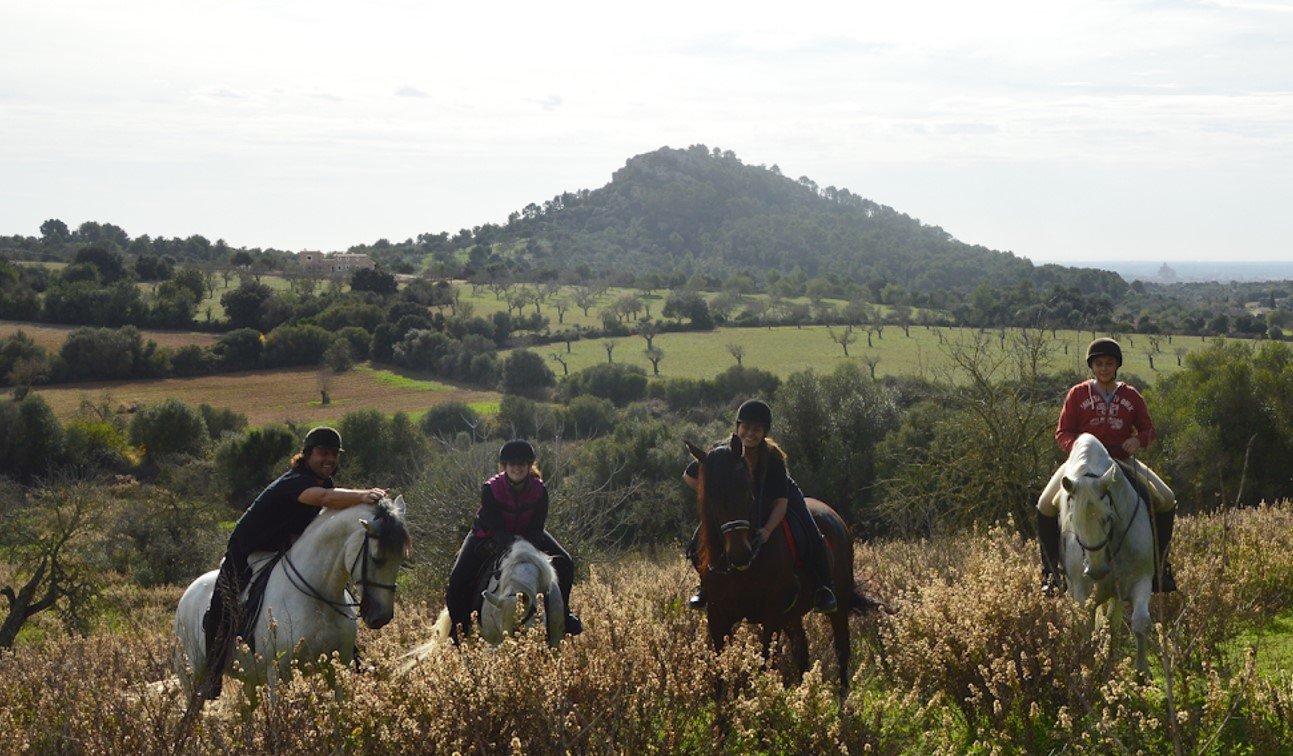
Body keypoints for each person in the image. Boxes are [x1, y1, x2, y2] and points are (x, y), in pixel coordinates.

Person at [196, 426, 388, 700]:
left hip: (284, 549)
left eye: (334, 455)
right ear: (307, 454)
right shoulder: (295, 481)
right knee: (221, 605)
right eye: (323, 453)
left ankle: (351, 653)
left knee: (332, 587)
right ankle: (212, 674)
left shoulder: (325, 484)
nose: (329, 460)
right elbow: (324, 500)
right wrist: (363, 495)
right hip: (248, 549)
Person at [1037, 337, 1178, 595]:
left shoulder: (1131, 395)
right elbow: (1062, 432)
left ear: (1117, 366)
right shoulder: (1077, 394)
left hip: (1120, 461)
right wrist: (1078, 446)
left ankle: (1159, 567)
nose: (1104, 368)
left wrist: (1138, 439)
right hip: (1081, 466)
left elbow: (1149, 430)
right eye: (1099, 364)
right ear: (1092, 367)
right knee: (1045, 505)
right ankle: (1051, 572)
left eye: (1109, 364)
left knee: (1166, 499)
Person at [683, 399, 838, 613]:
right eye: (745, 427)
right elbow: (689, 475)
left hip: (777, 494)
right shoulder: (720, 453)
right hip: (739, 501)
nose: (750, 433)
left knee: (811, 532)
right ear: (737, 428)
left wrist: (766, 531)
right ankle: (705, 586)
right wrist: (715, 496)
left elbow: (781, 503)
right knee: (698, 541)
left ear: (764, 432)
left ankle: (823, 588)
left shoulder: (773, 458)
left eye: (756, 429)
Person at [444, 439, 582, 641]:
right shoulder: (490, 489)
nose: (517, 468)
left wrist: (524, 544)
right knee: (457, 578)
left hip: (528, 535)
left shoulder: (540, 490)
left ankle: (563, 614)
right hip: (488, 535)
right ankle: (458, 628)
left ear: (529, 466)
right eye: (512, 465)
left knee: (566, 562)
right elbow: (495, 527)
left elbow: (537, 526)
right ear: (504, 467)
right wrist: (513, 545)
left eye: (522, 464)